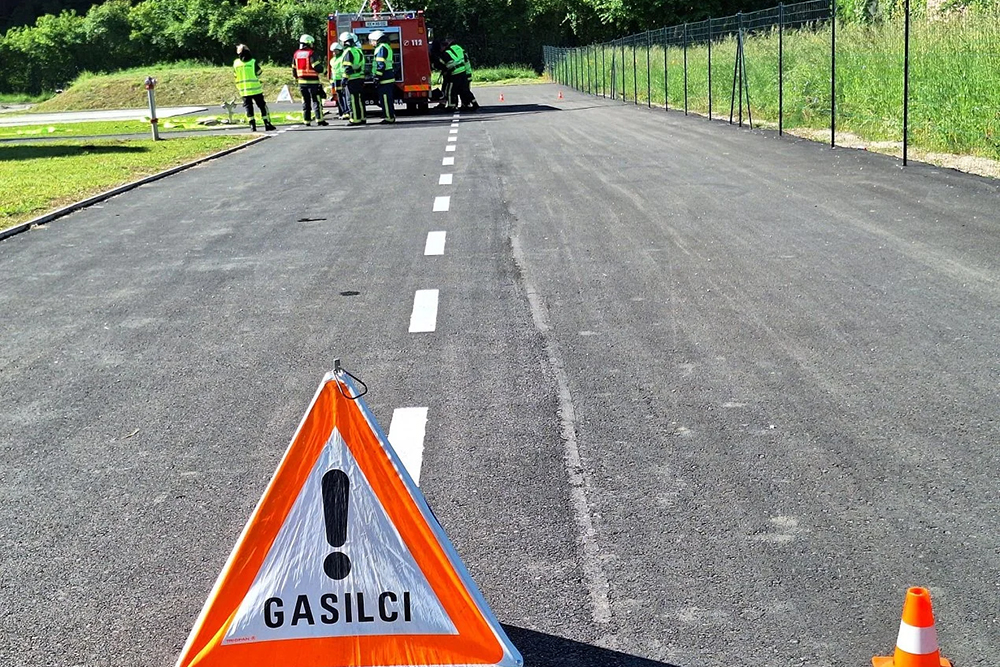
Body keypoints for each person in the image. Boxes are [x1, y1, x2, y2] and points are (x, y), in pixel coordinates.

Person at [233, 44, 276, 131]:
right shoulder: (252, 62)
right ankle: (267, 124)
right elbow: (259, 72)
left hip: (244, 90)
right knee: (262, 106)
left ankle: (252, 126)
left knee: (248, 108)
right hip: (256, 89)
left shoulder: (236, 63)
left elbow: (235, 75)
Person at [292, 34, 327, 126]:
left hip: (301, 82)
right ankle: (319, 119)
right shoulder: (311, 53)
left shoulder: (296, 54)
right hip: (313, 82)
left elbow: (294, 68)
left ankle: (306, 120)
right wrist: (324, 71)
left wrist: (296, 78)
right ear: (308, 43)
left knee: (305, 101)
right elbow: (316, 66)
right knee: (316, 101)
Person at [442, 38, 479, 111]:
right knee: (465, 90)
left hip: (455, 73)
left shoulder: (447, 51)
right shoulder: (459, 48)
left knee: (451, 91)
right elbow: (465, 61)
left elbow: (448, 64)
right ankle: (473, 104)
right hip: (464, 72)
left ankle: (452, 106)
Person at [340, 32, 367, 126]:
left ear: (344, 42)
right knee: (359, 100)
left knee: (352, 100)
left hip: (351, 79)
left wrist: (344, 79)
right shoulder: (358, 50)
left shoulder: (348, 52)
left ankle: (355, 119)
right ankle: (362, 117)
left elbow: (347, 68)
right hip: (359, 78)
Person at [369, 30, 396, 124]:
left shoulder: (381, 48)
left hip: (385, 78)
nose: (371, 43)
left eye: (372, 40)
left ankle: (389, 117)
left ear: (377, 40)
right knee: (387, 99)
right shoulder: (386, 46)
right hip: (388, 77)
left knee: (385, 99)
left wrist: (377, 76)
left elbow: (381, 64)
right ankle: (389, 115)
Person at [429, 40, 453, 111]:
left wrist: (444, 70)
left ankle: (450, 105)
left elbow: (444, 64)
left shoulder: (445, 54)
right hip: (449, 73)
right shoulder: (442, 53)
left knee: (449, 90)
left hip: (451, 73)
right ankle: (443, 103)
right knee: (446, 89)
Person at [329, 42, 349, 120]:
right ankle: (343, 112)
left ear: (340, 50)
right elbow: (332, 71)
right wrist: (332, 82)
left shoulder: (343, 58)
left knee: (344, 95)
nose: (334, 53)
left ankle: (347, 111)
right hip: (336, 80)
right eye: (333, 51)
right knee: (339, 96)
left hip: (342, 79)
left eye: (336, 51)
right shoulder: (332, 60)